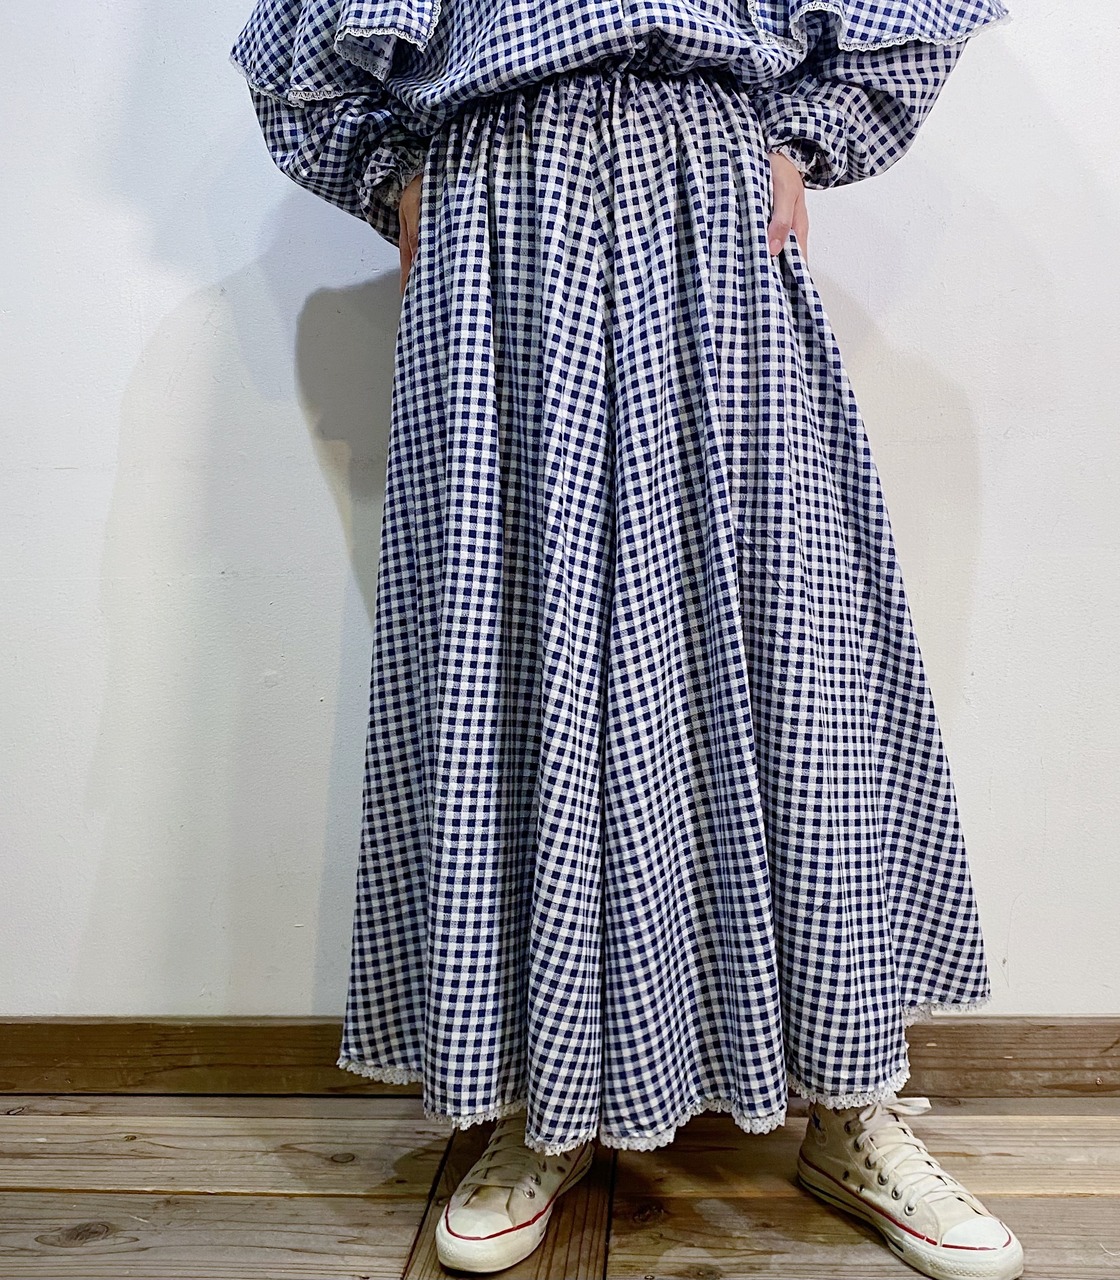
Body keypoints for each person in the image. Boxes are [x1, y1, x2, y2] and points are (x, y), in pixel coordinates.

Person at [230, 0, 1023, 1275]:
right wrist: (392, 174)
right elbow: (301, 51)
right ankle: (540, 1100)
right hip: (496, 204)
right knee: (504, 653)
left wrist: (798, 139)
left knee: (782, 643)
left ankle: (848, 1096)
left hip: (709, 189)